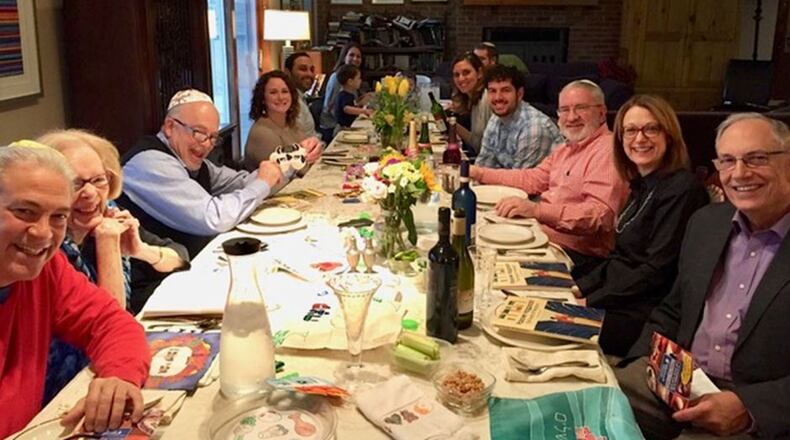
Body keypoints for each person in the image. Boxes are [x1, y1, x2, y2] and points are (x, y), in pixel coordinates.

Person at [616, 113, 790, 439]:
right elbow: (673, 309)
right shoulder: (706, 223)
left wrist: (750, 408)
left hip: (751, 406)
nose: (740, 173)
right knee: (588, 398)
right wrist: (640, 363)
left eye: (757, 158)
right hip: (679, 381)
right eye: (728, 160)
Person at [0, 143, 149, 438]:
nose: (43, 233)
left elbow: (111, 322)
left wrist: (120, 375)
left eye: (58, 216)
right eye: (25, 211)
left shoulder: (48, 268)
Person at [573, 95, 709, 356]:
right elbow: (619, 259)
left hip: (644, 313)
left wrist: (590, 301)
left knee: (544, 327)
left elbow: (656, 271)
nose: (640, 139)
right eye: (631, 130)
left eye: (651, 129)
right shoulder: (641, 184)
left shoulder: (683, 190)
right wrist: (579, 288)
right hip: (618, 297)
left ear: (669, 135)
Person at [470, 80, 629, 277]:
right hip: (544, 238)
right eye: (565, 110)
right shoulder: (567, 148)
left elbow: (599, 216)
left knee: (485, 269)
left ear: (602, 112)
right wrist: (478, 173)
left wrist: (537, 210)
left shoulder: (607, 151)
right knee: (476, 244)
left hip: (576, 257)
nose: (572, 117)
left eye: (581, 108)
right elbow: (532, 179)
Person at [118, 89, 284, 258]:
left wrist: (286, 165)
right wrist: (263, 183)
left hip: (192, 259)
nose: (206, 144)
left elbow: (242, 183)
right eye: (199, 133)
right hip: (157, 271)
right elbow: (214, 218)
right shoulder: (150, 163)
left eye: (213, 137)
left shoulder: (194, 162)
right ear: (170, 127)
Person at [475, 65, 562, 169]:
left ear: (520, 94)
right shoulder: (495, 119)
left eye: (505, 90)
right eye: (492, 91)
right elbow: (483, 166)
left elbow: (521, 177)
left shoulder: (533, 128)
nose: (498, 97)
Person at [243, 71, 323, 172]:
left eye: (285, 91)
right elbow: (290, 171)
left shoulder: (292, 123)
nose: (280, 97)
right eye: (273, 92)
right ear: (262, 98)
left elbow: (308, 154)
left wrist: (315, 147)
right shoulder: (262, 133)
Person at [319, 42, 370, 140]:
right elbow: (333, 107)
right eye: (351, 55)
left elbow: (350, 102)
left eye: (358, 56)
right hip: (332, 126)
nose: (355, 59)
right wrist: (360, 111)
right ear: (344, 57)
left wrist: (361, 100)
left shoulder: (353, 78)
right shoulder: (337, 77)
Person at [451, 52, 492, 156]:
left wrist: (454, 126)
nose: (461, 79)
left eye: (466, 72)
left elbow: (480, 147)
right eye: (457, 75)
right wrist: (451, 124)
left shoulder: (486, 99)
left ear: (479, 73)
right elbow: (475, 142)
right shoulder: (472, 98)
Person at [283, 51, 321, 140]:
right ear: (287, 72)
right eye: (303, 69)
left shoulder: (300, 97)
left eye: (312, 70)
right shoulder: (288, 101)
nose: (309, 74)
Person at [334, 64, 373, 129]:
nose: (360, 80)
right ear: (350, 82)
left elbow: (353, 104)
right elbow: (347, 109)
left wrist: (361, 99)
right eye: (358, 78)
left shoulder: (349, 94)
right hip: (343, 128)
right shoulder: (343, 95)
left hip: (348, 126)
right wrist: (363, 111)